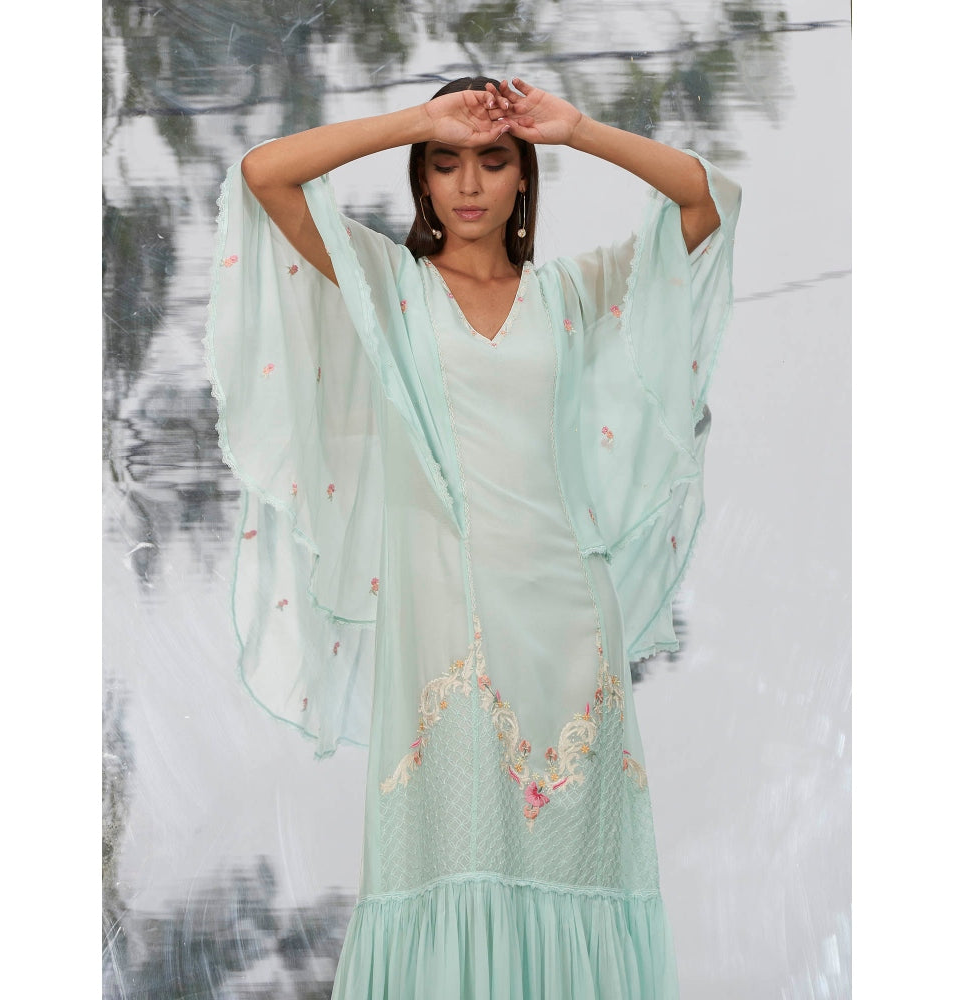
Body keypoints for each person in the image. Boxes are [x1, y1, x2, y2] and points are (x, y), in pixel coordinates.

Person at [206, 75, 740, 999]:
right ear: (421, 177)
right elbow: (266, 175)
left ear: (523, 177)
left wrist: (577, 129)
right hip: (443, 632)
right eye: (446, 162)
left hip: (569, 628)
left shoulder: (573, 293)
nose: (468, 183)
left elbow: (706, 204)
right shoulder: (391, 287)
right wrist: (419, 119)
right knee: (447, 870)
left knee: (573, 874)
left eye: (493, 161)